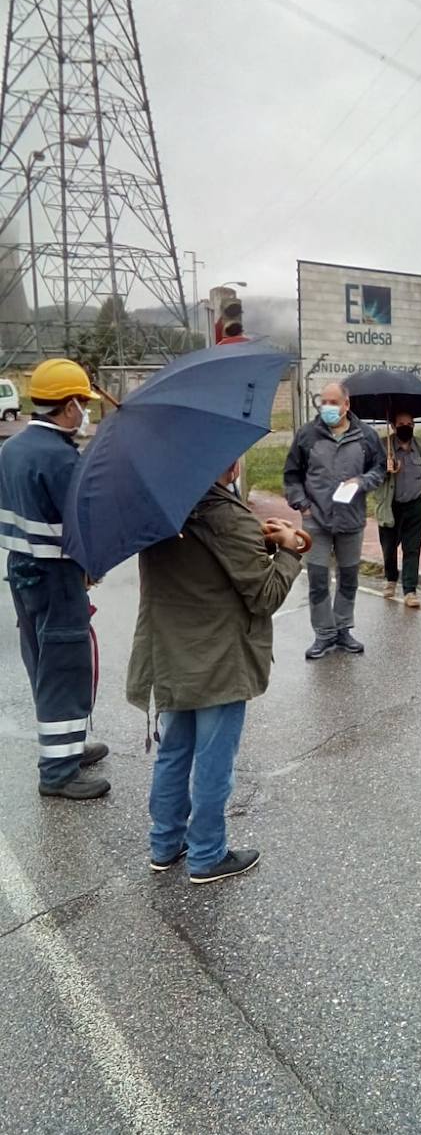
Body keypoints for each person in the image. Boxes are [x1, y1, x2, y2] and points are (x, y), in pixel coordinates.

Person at [127, 463, 304, 883]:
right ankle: (207, 854)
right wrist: (291, 550)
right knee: (213, 762)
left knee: (174, 752)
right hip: (219, 659)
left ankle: (165, 844)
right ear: (226, 458)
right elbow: (264, 596)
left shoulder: (156, 509)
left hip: (169, 653)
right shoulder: (223, 514)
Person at [0, 358, 109, 800]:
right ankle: (59, 772)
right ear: (67, 406)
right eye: (82, 403)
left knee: (42, 660)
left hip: (21, 569)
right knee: (64, 666)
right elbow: (82, 526)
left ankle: (68, 746)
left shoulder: (13, 447)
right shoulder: (61, 458)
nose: (84, 411)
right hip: (56, 573)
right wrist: (92, 567)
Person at [284, 382, 386, 659]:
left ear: (346, 404)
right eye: (324, 402)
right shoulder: (307, 435)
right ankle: (323, 634)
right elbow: (292, 475)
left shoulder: (366, 436)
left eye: (333, 402)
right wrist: (301, 505)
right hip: (315, 521)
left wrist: (363, 481)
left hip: (351, 520)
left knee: (349, 577)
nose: (327, 407)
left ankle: (343, 629)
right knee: (318, 579)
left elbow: (379, 469)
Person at [376, 412, 421, 608]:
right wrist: (384, 469)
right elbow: (368, 475)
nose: (406, 426)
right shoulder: (382, 447)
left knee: (412, 549)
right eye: (401, 423)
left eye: (410, 423)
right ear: (393, 426)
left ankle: (410, 590)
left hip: (415, 506)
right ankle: (390, 578)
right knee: (389, 548)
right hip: (390, 506)